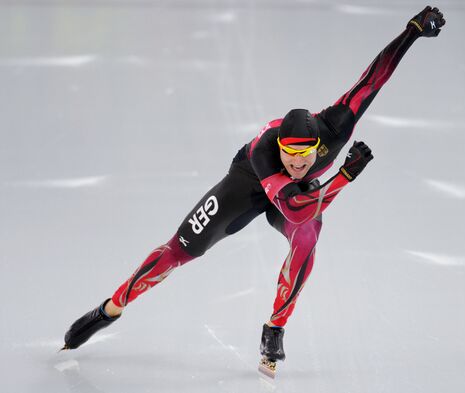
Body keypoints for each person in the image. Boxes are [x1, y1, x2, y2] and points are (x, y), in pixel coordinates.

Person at [63, 5, 445, 367]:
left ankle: (274, 328)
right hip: (246, 185)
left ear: (319, 146)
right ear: (279, 147)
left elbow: (373, 78)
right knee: (177, 252)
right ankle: (110, 307)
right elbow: (295, 206)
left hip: (298, 194)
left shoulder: (335, 127)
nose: (297, 163)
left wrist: (411, 31)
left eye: (305, 156)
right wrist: (342, 177)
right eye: (290, 156)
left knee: (308, 237)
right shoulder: (266, 153)